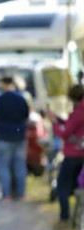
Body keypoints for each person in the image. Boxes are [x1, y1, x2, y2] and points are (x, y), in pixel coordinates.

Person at [0, 75, 30, 201]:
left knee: (4, 166)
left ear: (3, 84)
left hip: (4, 136)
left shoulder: (0, 99)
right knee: (20, 165)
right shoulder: (21, 98)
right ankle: (21, 194)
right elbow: (26, 115)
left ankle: (7, 195)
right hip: (20, 136)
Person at [47, 84, 84, 222]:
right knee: (78, 184)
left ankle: (65, 216)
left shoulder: (78, 112)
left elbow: (65, 133)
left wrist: (54, 123)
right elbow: (72, 126)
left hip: (73, 154)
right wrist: (59, 119)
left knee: (63, 185)